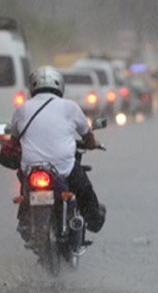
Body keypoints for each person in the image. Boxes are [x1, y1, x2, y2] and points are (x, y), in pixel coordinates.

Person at [11, 66, 106, 240]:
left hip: (31, 169)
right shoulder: (70, 107)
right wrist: (93, 144)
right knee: (84, 190)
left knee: (24, 188)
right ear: (59, 86)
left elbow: (14, 139)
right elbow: (88, 136)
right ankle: (92, 221)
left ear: (32, 86)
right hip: (63, 168)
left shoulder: (22, 109)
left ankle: (24, 220)